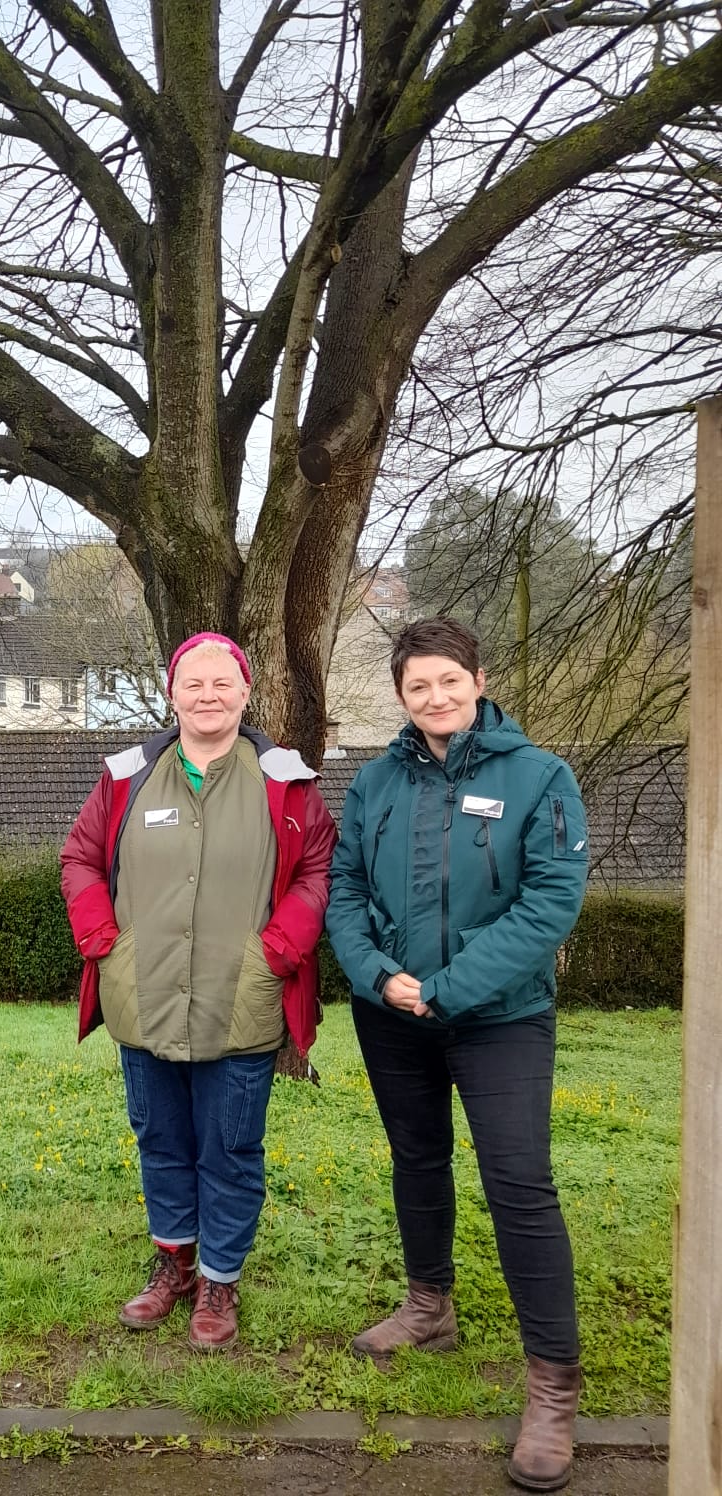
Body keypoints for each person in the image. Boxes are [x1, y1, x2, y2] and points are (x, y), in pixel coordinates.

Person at [325, 617, 589, 1493]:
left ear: (479, 678)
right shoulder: (374, 782)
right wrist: (378, 976)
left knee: (519, 1183)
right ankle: (429, 1307)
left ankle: (552, 1385)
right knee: (417, 1160)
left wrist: (448, 985)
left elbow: (550, 903)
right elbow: (347, 890)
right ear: (400, 697)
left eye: (449, 680)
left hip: (501, 1017)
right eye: (417, 687)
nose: (436, 698)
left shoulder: (540, 777)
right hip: (393, 1012)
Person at [60, 632, 335, 1351]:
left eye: (223, 683)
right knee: (161, 1140)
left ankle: (219, 1279)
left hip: (240, 1000)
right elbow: (81, 858)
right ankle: (173, 1265)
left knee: (230, 1147)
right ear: (172, 692)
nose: (208, 695)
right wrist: (101, 942)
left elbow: (317, 871)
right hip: (142, 996)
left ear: (246, 693)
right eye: (194, 683)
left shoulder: (284, 779)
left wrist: (279, 950)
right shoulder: (127, 777)